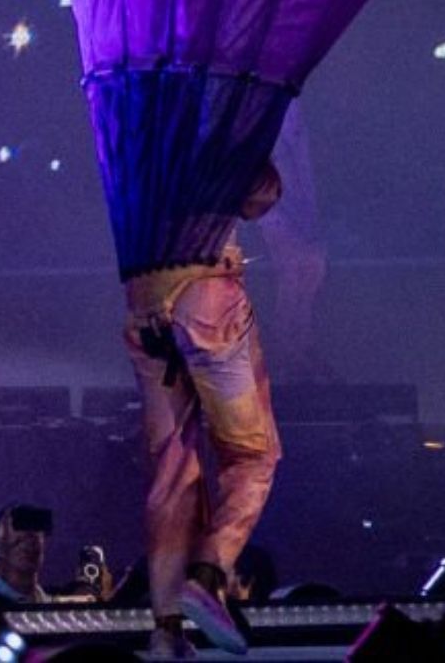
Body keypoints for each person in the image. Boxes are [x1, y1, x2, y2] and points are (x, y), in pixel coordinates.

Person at [126, 161, 285, 659]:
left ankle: (166, 630)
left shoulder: (134, 121)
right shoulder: (217, 120)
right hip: (207, 295)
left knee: (173, 468)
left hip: (145, 298)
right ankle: (208, 575)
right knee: (252, 455)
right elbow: (258, 195)